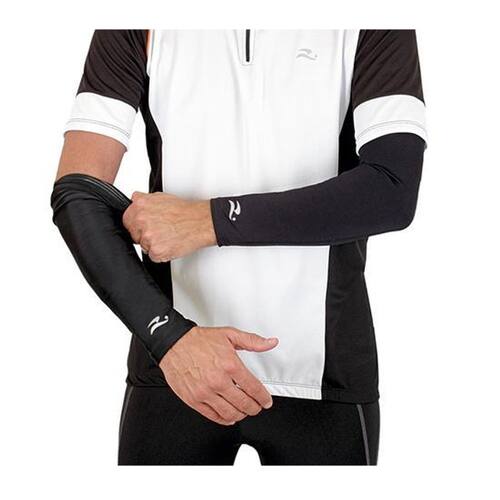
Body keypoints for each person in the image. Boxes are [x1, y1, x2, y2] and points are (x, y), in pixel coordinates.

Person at [51, 29, 426, 465]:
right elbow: (78, 193)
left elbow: (391, 189)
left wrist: (208, 221)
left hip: (324, 376)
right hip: (175, 366)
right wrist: (169, 338)